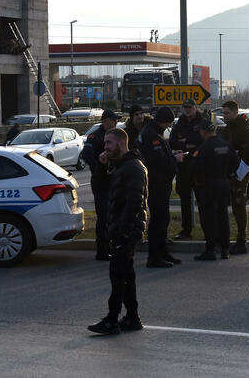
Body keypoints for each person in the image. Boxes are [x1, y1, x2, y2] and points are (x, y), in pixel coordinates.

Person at [87, 128, 148, 335]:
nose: (105, 147)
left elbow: (135, 202)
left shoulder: (133, 167)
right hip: (121, 230)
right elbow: (101, 187)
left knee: (118, 275)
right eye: (105, 143)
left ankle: (112, 320)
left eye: (109, 143)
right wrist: (102, 167)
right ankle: (132, 317)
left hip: (127, 231)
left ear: (121, 144)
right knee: (126, 275)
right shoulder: (120, 166)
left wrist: (123, 232)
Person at [139, 107, 183, 267]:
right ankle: (154, 256)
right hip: (156, 183)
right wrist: (175, 160)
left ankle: (163, 252)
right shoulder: (151, 134)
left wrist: (172, 154)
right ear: (164, 121)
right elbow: (158, 162)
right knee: (158, 220)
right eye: (168, 123)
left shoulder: (152, 131)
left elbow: (161, 156)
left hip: (160, 182)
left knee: (163, 219)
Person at [190, 120, 236, 261]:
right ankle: (225, 249)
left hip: (209, 186)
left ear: (204, 132)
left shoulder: (203, 148)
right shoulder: (226, 145)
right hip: (223, 183)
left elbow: (195, 168)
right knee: (223, 216)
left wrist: (198, 183)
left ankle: (210, 250)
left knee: (209, 218)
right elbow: (234, 164)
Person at [81, 110, 120, 261]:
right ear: (106, 120)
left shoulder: (114, 135)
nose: (116, 123)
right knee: (104, 216)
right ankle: (102, 250)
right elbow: (87, 153)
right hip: (101, 181)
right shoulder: (96, 135)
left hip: (112, 180)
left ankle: (109, 246)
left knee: (112, 216)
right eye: (114, 120)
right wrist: (97, 168)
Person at [219, 100, 249, 255]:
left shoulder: (243, 131)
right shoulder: (228, 129)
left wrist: (238, 175)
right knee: (232, 208)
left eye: (227, 113)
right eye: (223, 113)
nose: (224, 116)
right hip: (229, 174)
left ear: (235, 112)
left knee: (239, 207)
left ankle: (242, 241)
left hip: (240, 175)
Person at [168, 99, 204, 240]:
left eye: (190, 107)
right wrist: (188, 143)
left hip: (199, 167)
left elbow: (203, 141)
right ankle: (186, 230)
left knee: (202, 200)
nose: (187, 110)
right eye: (185, 108)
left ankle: (207, 230)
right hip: (183, 167)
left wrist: (185, 142)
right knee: (185, 200)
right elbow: (172, 141)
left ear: (195, 108)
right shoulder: (180, 122)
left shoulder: (202, 121)